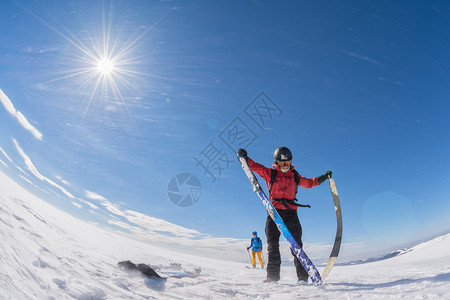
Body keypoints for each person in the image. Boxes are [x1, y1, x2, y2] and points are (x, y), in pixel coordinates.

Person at [237, 146, 331, 284]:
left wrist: (323, 177)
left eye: (287, 163)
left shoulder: (295, 176)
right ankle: (272, 277)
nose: (285, 166)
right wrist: (244, 158)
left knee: (296, 246)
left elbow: (309, 183)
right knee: (272, 246)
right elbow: (256, 167)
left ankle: (302, 278)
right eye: (282, 163)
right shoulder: (271, 173)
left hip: (291, 213)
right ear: (276, 162)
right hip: (274, 213)